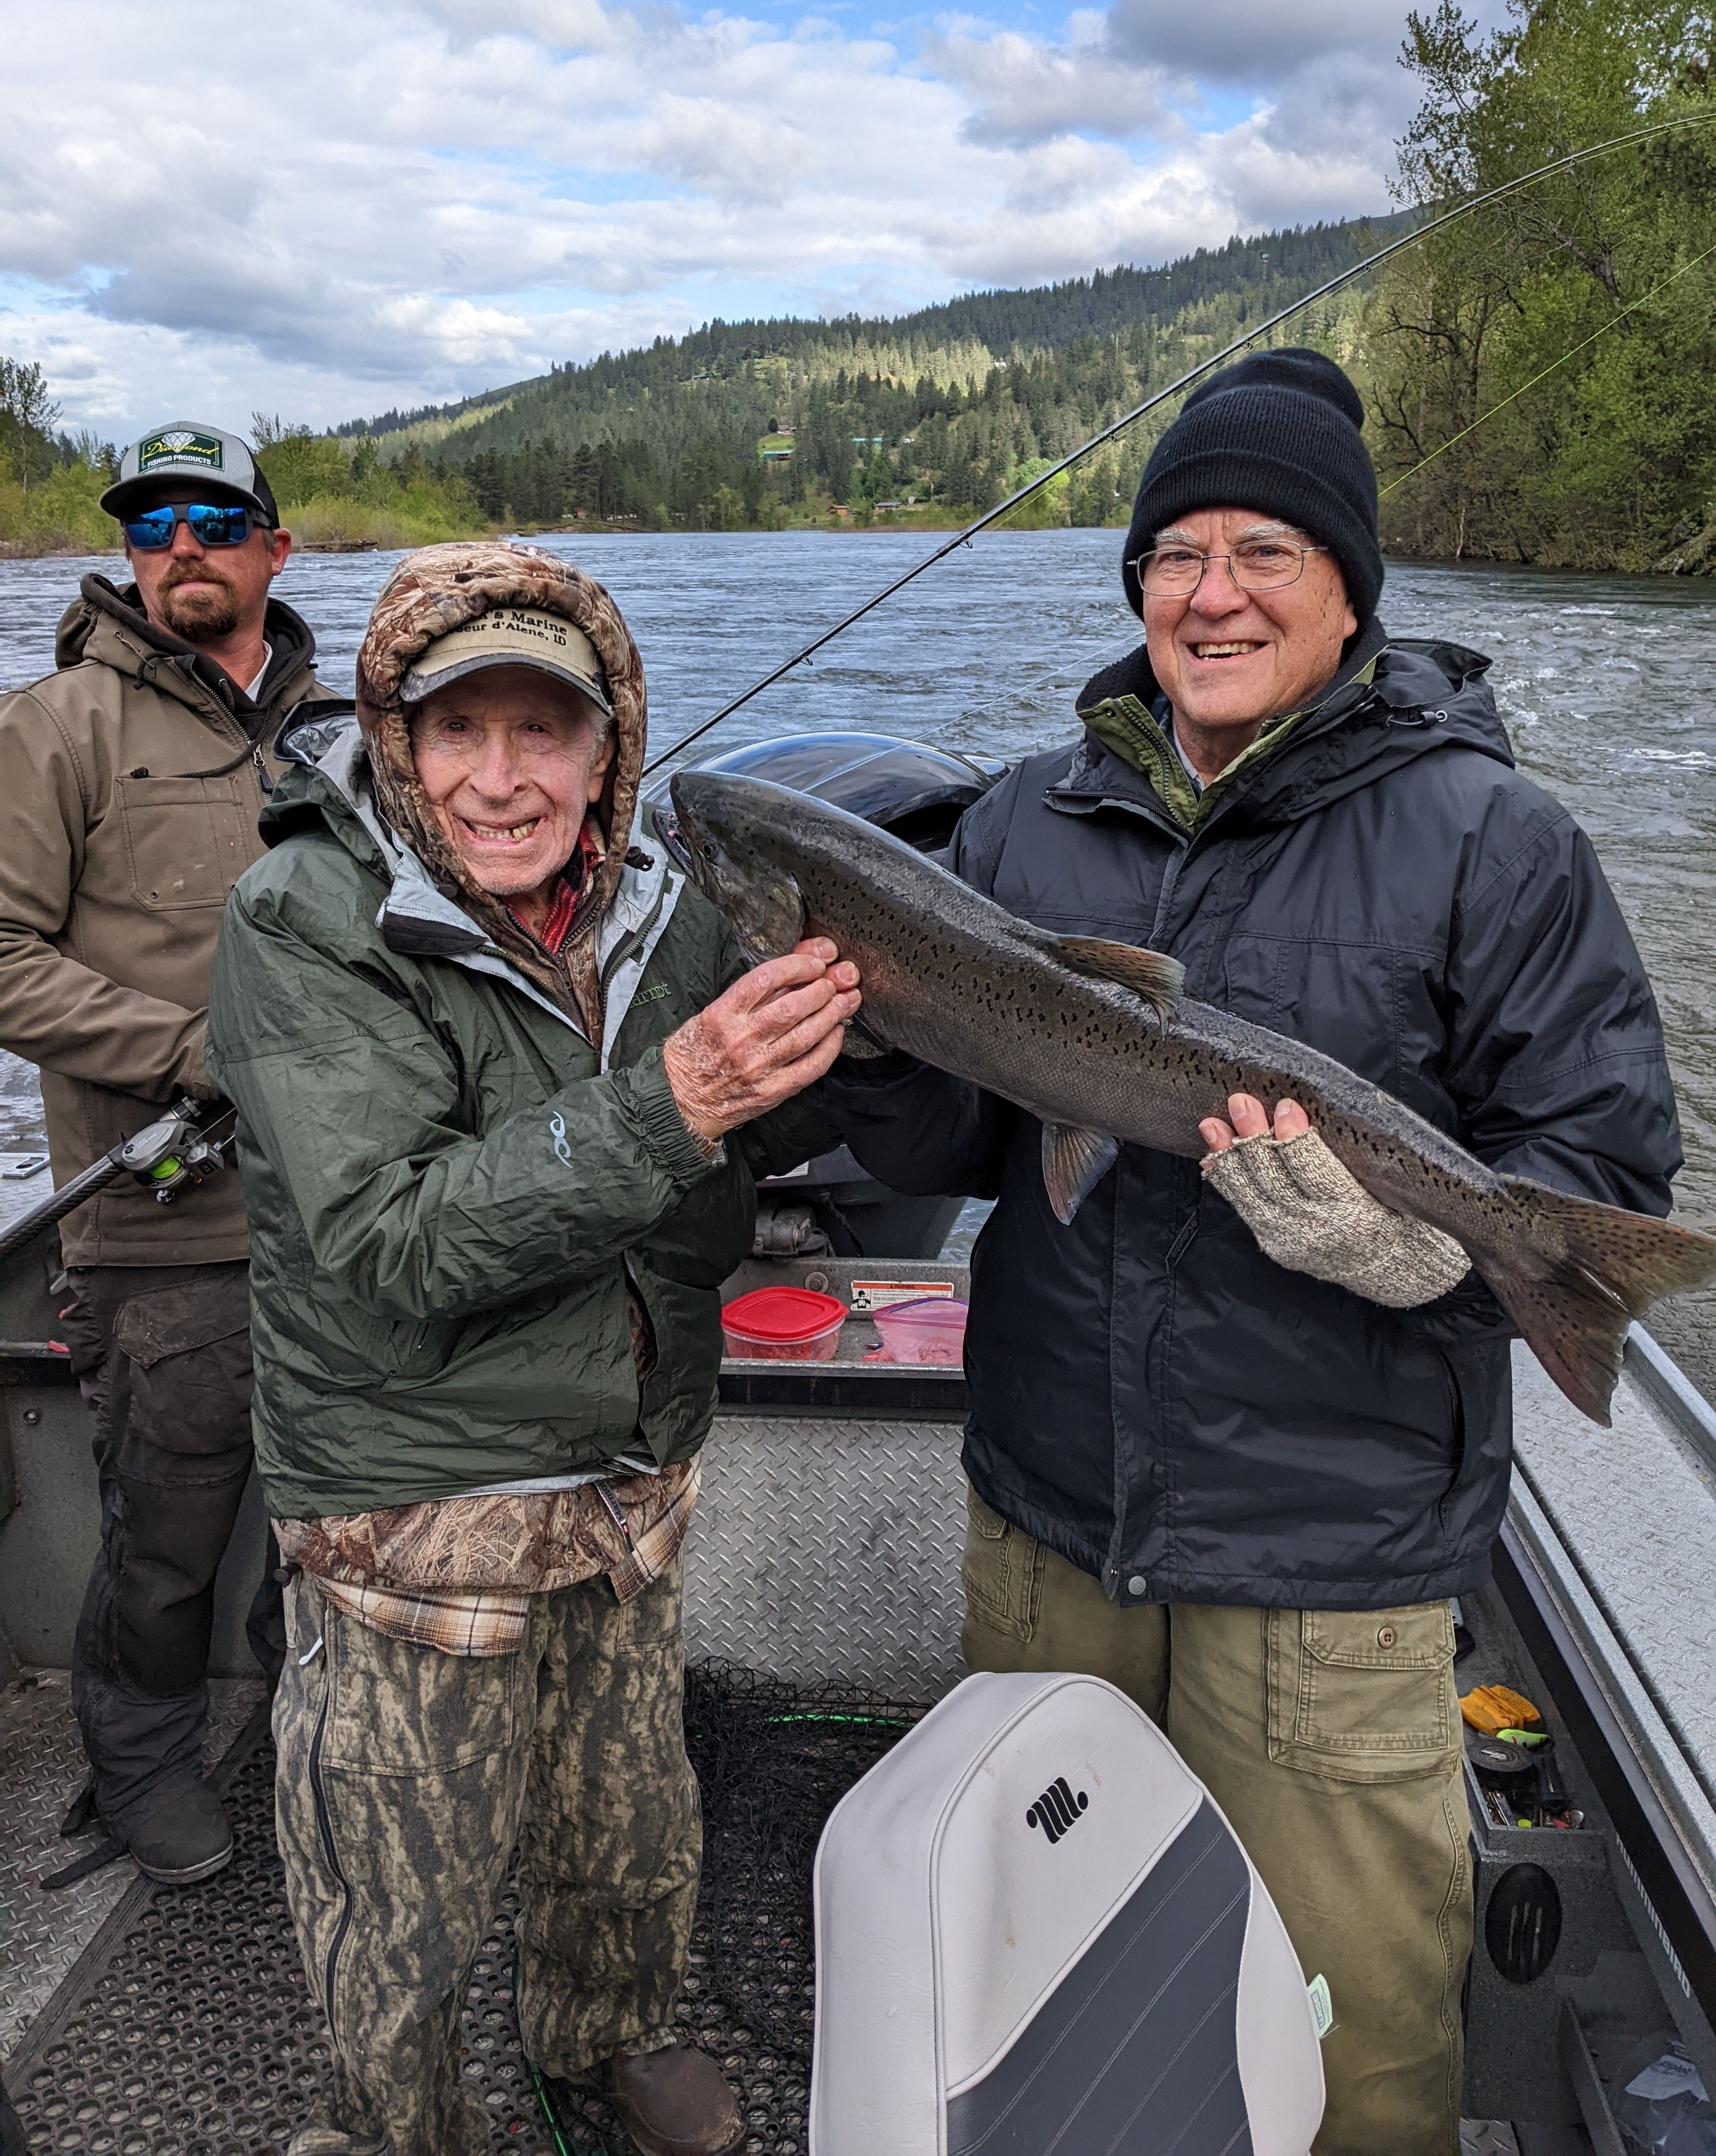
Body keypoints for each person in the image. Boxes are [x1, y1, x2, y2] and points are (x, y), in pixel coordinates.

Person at [829, 349, 1682, 2155]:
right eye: (1175, 551)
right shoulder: (1019, 822)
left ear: (1350, 587)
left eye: (1264, 550)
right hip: (1052, 1513)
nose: (1209, 592)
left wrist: (1427, 1256)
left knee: (1356, 2040)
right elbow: (947, 1147)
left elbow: (1600, 1154)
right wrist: (878, 1043)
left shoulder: (1495, 840)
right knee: (1039, 1987)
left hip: (1330, 1548)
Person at [205, 541, 855, 2156]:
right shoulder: (301, 918)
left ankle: (611, 2044)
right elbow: (392, 1240)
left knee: (629, 1830)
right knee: (399, 1890)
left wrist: (840, 1062)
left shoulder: (667, 910)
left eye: (544, 732)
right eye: (457, 732)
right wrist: (677, 1101)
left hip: (629, 1480)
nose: (501, 782)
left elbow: (735, 1166)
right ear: (398, 743)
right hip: (412, 1506)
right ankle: (399, 2124)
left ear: (607, 748)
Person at [0, 421, 324, 1882]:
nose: (179, 546)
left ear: (272, 544)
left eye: (210, 517)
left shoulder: (355, 724)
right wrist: (190, 1054)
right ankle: (136, 1765)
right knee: (164, 1536)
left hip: (355, 1217)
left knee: (337, 1511)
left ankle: (304, 1725)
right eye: (150, 526)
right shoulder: (55, 727)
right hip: (162, 1227)